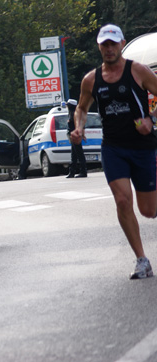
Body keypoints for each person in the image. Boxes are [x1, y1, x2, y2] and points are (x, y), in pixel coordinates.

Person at [72, 23, 157, 280]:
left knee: (149, 211)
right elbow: (82, 108)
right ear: (99, 46)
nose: (109, 49)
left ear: (122, 43)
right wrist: (79, 127)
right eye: (104, 44)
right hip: (113, 148)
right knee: (122, 200)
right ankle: (142, 259)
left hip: (143, 147)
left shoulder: (138, 71)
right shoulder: (91, 79)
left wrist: (151, 120)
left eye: (113, 43)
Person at [65, 99, 87, 178]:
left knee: (79, 154)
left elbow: (82, 125)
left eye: (68, 105)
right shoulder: (72, 114)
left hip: (76, 136)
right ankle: (72, 172)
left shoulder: (75, 114)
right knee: (74, 155)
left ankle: (83, 171)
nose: (67, 106)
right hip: (73, 136)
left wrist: (82, 135)